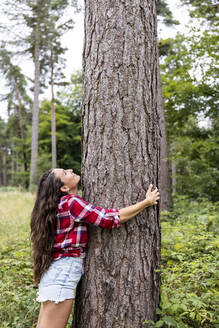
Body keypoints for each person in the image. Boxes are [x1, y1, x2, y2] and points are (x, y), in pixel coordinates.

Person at [31, 168, 159, 328]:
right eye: (65, 173)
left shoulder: (59, 205)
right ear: (63, 188)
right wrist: (145, 202)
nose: (70, 170)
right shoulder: (71, 203)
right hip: (62, 275)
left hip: (55, 273)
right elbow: (108, 219)